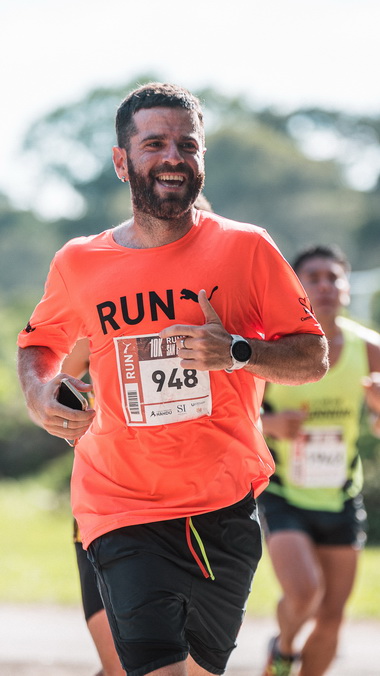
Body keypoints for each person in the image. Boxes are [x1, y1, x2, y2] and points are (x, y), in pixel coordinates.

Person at [17, 82, 328, 676]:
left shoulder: (246, 249)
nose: (173, 156)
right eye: (154, 143)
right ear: (121, 161)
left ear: (202, 158)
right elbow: (39, 342)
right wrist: (39, 394)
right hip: (119, 503)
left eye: (188, 144)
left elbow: (311, 356)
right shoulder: (80, 262)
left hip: (223, 504)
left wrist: (237, 352)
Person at [259, 244, 380, 676]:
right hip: (283, 494)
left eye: (334, 277)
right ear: (297, 288)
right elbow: (236, 417)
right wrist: (270, 425)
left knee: (332, 617)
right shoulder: (274, 348)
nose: (325, 285)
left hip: (341, 497)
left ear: (346, 287)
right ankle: (284, 648)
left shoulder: (370, 349)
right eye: (313, 277)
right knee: (305, 593)